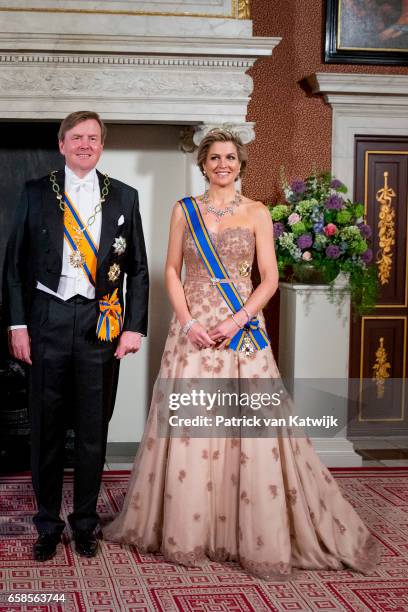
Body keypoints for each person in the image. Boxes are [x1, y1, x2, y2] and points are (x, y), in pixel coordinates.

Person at [103, 128, 377, 579]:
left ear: (240, 163)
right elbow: (171, 270)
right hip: (191, 332)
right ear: (204, 164)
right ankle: (189, 531)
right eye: (214, 158)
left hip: (241, 331)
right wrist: (188, 321)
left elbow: (268, 278)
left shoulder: (257, 212)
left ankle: (246, 532)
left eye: (230, 157)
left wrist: (237, 320)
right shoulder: (184, 210)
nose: (222, 164)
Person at [2, 111, 149, 562]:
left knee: (91, 429)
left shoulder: (124, 196)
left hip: (99, 325)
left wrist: (134, 327)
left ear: (101, 146)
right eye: (77, 137)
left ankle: (84, 524)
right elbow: (14, 266)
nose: (86, 144)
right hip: (46, 320)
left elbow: (138, 270)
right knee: (45, 430)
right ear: (62, 143)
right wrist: (18, 325)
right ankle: (48, 524)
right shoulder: (34, 192)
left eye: (93, 137)